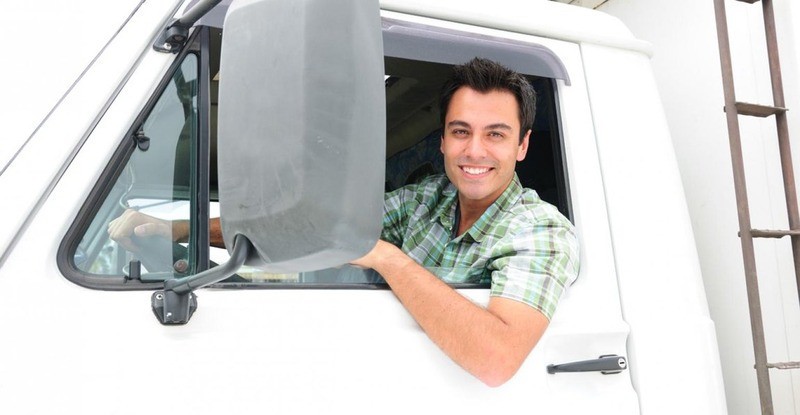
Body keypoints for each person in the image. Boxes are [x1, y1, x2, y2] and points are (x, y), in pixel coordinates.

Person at [109, 57, 579, 387]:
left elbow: (496, 359)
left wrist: (387, 258)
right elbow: (310, 223)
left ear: (522, 145)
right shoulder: (426, 198)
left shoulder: (541, 230)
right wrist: (178, 229)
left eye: (495, 134)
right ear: (442, 141)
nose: (474, 151)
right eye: (461, 131)